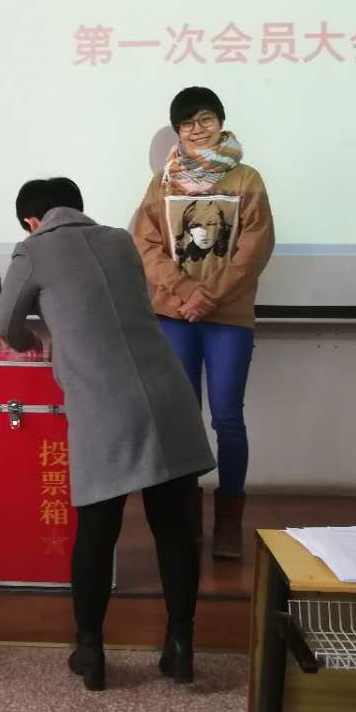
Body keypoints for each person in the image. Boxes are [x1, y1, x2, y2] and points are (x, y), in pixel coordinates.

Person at [0, 177, 215, 691]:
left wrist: (31, 341)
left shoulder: (33, 249)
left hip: (105, 405)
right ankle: (180, 648)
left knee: (97, 534)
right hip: (168, 392)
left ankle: (91, 653)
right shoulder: (119, 239)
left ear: (31, 221)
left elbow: (6, 322)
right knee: (175, 532)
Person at [130, 86, 274, 560]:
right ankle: (186, 515)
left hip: (228, 316)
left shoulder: (246, 179)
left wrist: (209, 295)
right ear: (178, 131)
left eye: (206, 119)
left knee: (227, 417)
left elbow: (255, 247)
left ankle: (229, 521)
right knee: (183, 416)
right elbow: (145, 244)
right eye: (188, 123)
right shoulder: (163, 181)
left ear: (220, 121)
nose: (198, 129)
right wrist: (185, 291)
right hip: (175, 315)